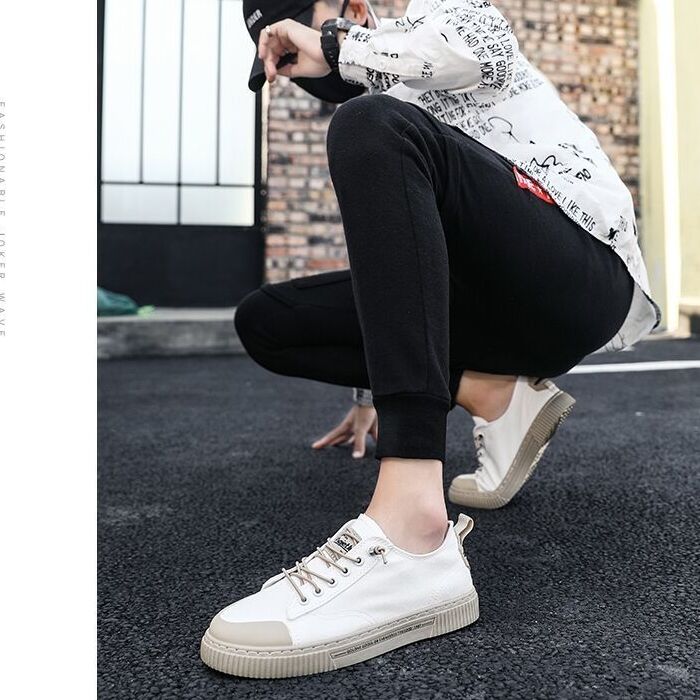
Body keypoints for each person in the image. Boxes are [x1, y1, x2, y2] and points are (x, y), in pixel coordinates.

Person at [200, 0, 662, 678]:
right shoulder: (379, 111)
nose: (297, 69)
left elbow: (475, 47)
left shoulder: (432, 22)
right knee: (267, 319)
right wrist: (376, 384)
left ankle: (414, 532)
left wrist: (335, 43)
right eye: (282, 62)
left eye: (291, 44)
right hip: (486, 310)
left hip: (580, 279)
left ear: (352, 10)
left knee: (372, 123)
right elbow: (400, 267)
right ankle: (495, 393)